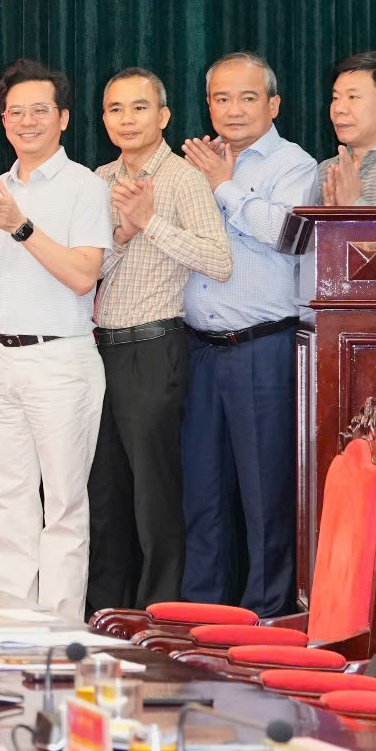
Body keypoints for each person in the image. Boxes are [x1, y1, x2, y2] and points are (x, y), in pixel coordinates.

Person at [0, 60, 111, 621]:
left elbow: (83, 275)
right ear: (3, 121)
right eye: (16, 112)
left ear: (63, 118)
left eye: (39, 111)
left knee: (64, 508)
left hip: (60, 359)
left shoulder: (85, 187)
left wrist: (20, 227)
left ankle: (60, 634)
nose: (27, 122)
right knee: (10, 503)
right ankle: (9, 627)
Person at [179, 51, 317, 616]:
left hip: (264, 347)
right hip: (198, 351)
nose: (233, 109)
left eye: (248, 97)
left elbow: (291, 235)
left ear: (273, 104)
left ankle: (267, 620)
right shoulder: (194, 161)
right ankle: (200, 620)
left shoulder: (295, 165)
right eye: (221, 98)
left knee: (266, 498)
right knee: (202, 495)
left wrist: (225, 185)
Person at [87, 67, 229, 614]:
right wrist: (122, 235)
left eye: (139, 107)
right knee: (105, 493)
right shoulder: (97, 180)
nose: (127, 119)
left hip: (154, 348)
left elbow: (218, 260)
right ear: (104, 120)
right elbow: (91, 272)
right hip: (99, 350)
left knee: (155, 496)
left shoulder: (183, 179)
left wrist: (149, 222)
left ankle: (157, 618)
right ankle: (106, 614)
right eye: (116, 109)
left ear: (164, 116)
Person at [322, 49, 376, 207]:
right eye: (335, 97)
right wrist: (328, 219)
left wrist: (353, 205)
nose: (339, 108)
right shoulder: (325, 171)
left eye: (353, 97)